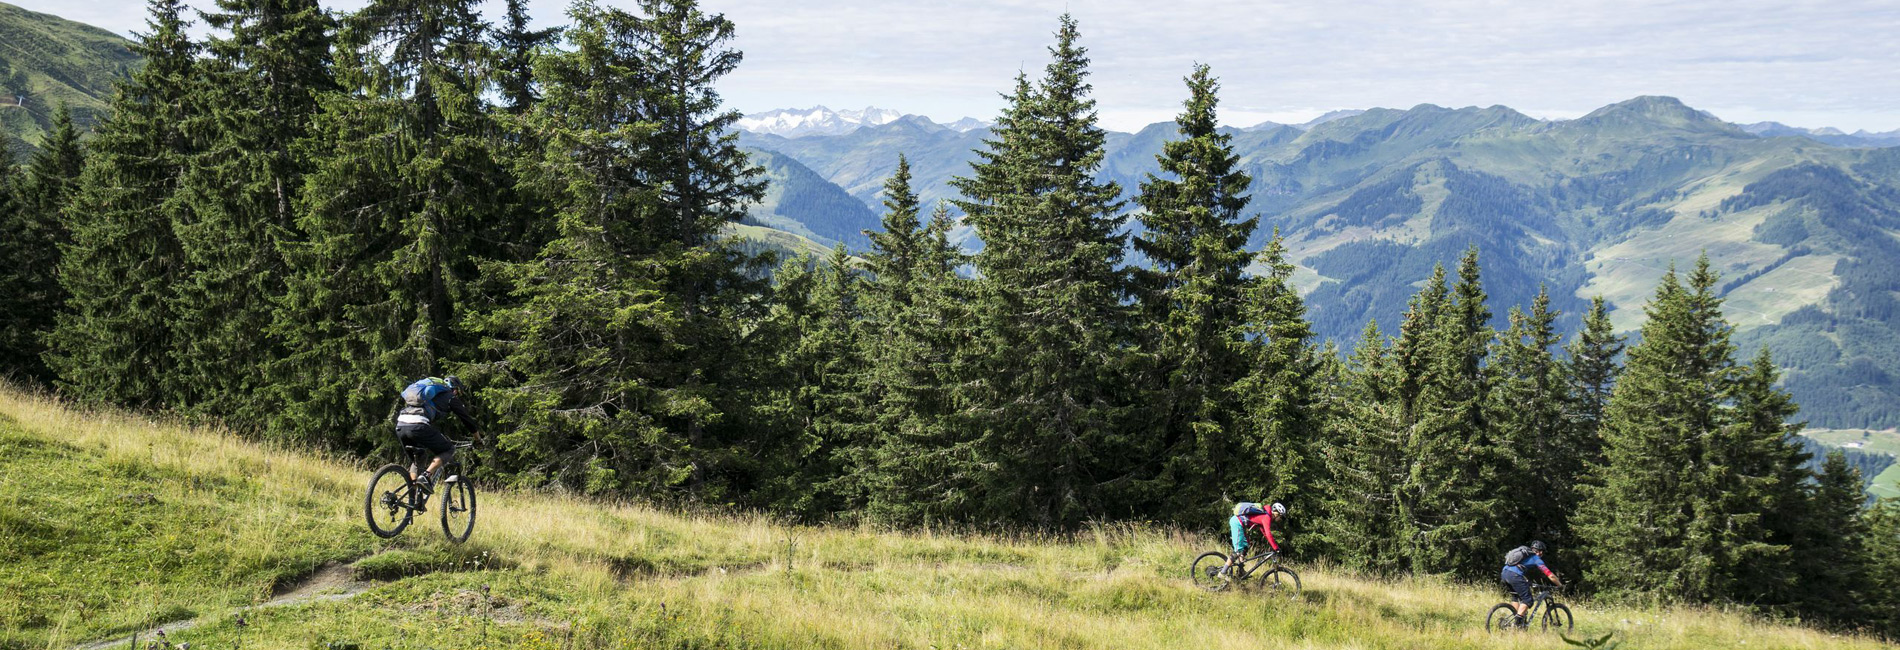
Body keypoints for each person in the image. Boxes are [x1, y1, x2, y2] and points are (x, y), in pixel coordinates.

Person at [395, 376, 483, 495]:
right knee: (448, 449)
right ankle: (426, 476)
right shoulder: (450, 397)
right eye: (458, 391)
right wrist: (478, 439)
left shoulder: (425, 396)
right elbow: (467, 420)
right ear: (455, 389)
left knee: (418, 458)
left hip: (401, 424)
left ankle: (412, 496)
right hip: (418, 425)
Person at [1501, 540, 1563, 624]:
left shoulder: (1525, 555)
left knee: (1515, 597)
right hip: (1515, 575)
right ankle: (1516, 624)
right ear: (1540, 552)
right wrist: (1559, 585)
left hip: (1504, 573)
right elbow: (1550, 575)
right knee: (1528, 600)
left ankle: (1513, 619)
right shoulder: (1536, 558)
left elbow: (1517, 568)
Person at [1224, 501, 1286, 574]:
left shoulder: (1265, 515)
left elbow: (1265, 533)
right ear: (1276, 513)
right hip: (1237, 522)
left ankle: (1240, 570)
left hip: (1240, 524)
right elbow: (1268, 534)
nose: (1280, 519)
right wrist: (1276, 547)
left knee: (1245, 546)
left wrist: (1275, 546)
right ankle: (1222, 572)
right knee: (1237, 551)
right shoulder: (1267, 517)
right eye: (1281, 517)